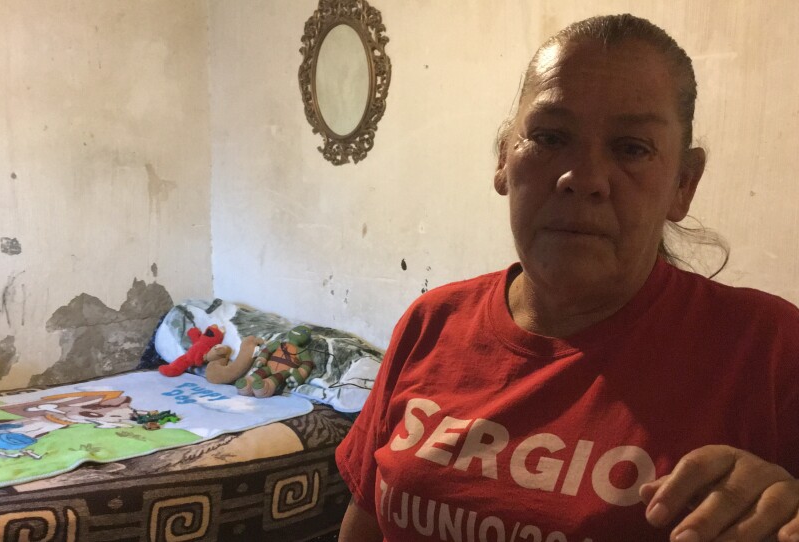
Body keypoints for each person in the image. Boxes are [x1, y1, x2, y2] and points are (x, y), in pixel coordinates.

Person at [335, 13, 799, 542]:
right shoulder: (432, 322)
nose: (581, 178)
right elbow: (365, 523)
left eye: (631, 148)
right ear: (504, 159)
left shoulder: (767, 350)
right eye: (551, 136)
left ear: (683, 183)